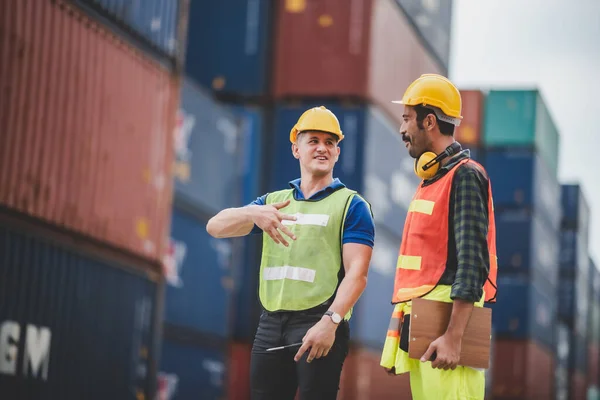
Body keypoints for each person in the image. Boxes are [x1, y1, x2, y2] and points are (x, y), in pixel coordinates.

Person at [206, 106, 375, 400]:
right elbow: (215, 227)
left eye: (330, 142)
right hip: (270, 323)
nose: (322, 148)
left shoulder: (352, 205)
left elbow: (357, 275)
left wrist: (330, 322)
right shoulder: (272, 204)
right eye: (313, 141)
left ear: (337, 152)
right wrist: (253, 213)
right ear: (296, 149)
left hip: (320, 322)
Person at [379, 74, 498, 400]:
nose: (402, 130)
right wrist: (398, 344)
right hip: (428, 328)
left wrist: (454, 338)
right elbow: (421, 274)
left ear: (429, 121)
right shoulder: (433, 180)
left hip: (447, 332)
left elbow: (473, 263)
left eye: (406, 119)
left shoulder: (465, 176)